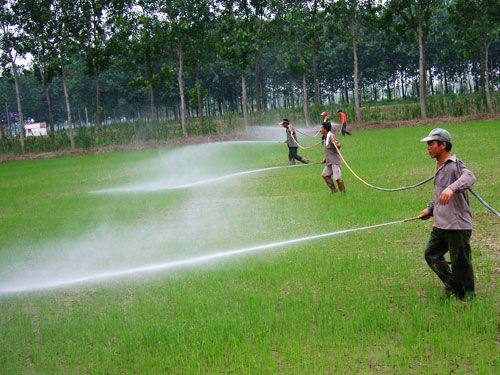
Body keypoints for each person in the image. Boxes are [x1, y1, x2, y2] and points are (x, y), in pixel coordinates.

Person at [418, 128, 476, 299]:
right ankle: (453, 285)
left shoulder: (455, 165)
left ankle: (466, 297)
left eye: (431, 144)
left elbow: (470, 176)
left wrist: (452, 188)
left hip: (457, 225)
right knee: (431, 255)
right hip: (440, 224)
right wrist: (430, 208)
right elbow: (439, 195)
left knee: (461, 262)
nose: (428, 147)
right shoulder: (438, 166)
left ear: (443, 145)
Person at [320, 121, 345, 194]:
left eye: (321, 128)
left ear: (325, 129)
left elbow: (339, 146)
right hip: (329, 162)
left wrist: (334, 142)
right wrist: (325, 159)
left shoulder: (331, 136)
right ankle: (334, 191)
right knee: (325, 175)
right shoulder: (325, 138)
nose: (320, 129)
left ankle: (343, 194)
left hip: (335, 162)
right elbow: (328, 150)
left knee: (337, 179)